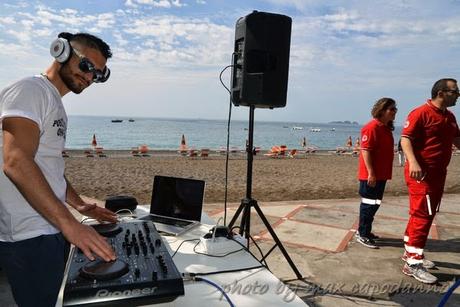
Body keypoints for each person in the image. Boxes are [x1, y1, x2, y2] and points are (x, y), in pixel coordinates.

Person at [0, 32, 118, 307]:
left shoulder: (55, 104)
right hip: (28, 235)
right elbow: (15, 160)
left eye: (99, 75)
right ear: (61, 51)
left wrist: (80, 205)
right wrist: (70, 225)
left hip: (49, 227)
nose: (90, 78)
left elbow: (47, 166)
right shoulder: (30, 90)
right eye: (87, 66)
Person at [400, 78, 460, 284]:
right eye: (455, 91)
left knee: (424, 213)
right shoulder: (420, 113)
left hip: (438, 174)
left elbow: (457, 139)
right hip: (421, 174)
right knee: (423, 215)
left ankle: (411, 253)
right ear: (441, 93)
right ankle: (412, 264)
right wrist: (413, 162)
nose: (458, 95)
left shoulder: (450, 117)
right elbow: (405, 138)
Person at [356, 98, 397, 248]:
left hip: (382, 175)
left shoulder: (385, 128)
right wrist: (371, 173)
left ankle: (365, 230)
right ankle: (362, 234)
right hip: (371, 176)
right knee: (368, 204)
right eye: (391, 109)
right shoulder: (372, 127)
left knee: (375, 204)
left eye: (395, 109)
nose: (395, 112)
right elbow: (365, 151)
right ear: (382, 110)